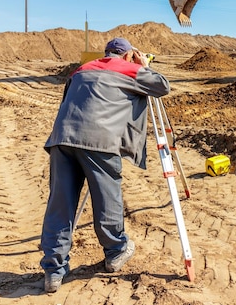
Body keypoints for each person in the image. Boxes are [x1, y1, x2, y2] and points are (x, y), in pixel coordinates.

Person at [40, 37, 170, 293]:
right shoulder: (130, 69)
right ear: (128, 55)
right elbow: (162, 86)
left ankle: (53, 272)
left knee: (60, 205)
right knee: (107, 198)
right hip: (99, 140)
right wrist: (144, 66)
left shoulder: (82, 69)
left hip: (62, 138)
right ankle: (116, 251)